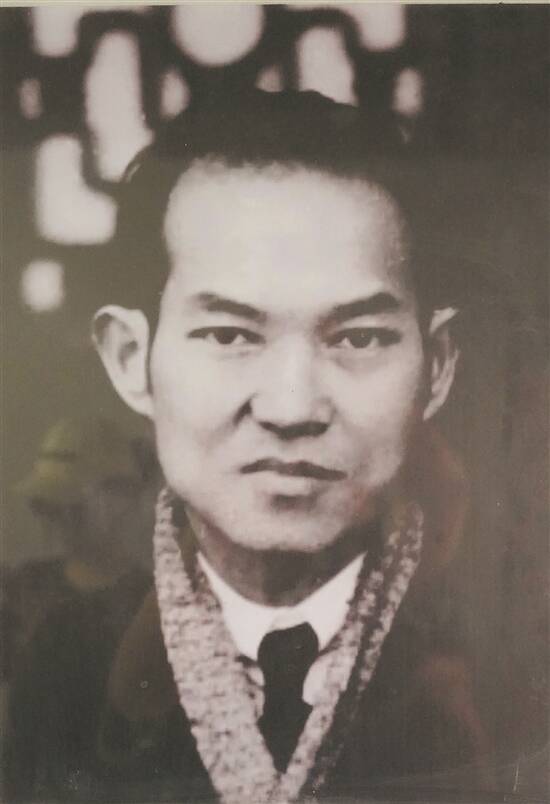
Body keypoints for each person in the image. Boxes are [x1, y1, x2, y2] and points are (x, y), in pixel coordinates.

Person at [6, 90, 507, 802]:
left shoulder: (503, 663)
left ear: (438, 368)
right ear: (131, 359)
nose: (292, 408)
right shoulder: (68, 664)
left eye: (359, 338)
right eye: (229, 334)